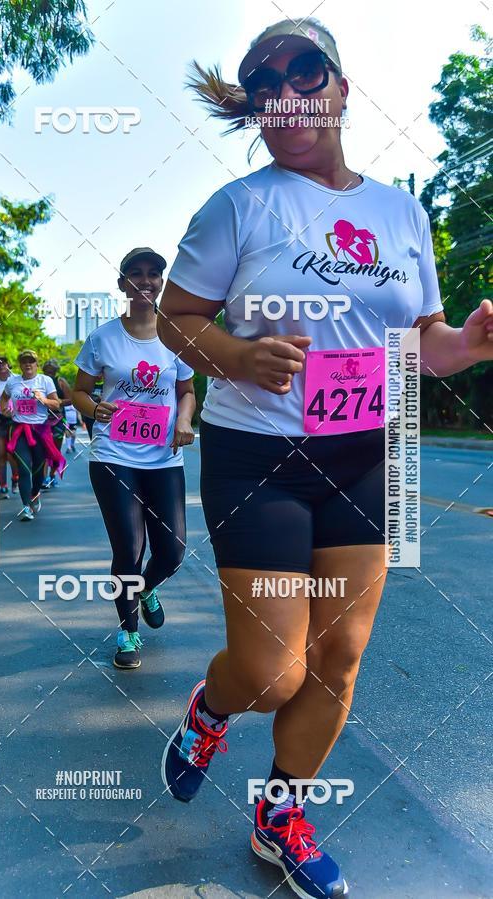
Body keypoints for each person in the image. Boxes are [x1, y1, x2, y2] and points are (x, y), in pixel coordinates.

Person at [157, 19, 493, 898]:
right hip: (257, 455)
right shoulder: (238, 207)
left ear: (341, 88)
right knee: (272, 672)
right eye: (265, 82)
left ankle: (281, 814)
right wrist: (236, 355)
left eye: (305, 70)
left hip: (362, 455)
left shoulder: (401, 213)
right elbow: (176, 319)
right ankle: (212, 707)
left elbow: (421, 340)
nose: (287, 91)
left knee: (339, 657)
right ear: (256, 109)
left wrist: (466, 344)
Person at [72, 247, 196, 669]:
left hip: (164, 457)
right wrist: (95, 408)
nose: (145, 280)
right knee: (129, 547)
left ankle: (145, 587)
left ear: (161, 282)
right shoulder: (103, 338)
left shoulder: (176, 336)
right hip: (113, 454)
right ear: (122, 283)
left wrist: (184, 420)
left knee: (173, 551)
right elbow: (79, 391)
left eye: (153, 273)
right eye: (136, 273)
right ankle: (127, 632)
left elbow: (186, 391)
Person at [1, 349, 65, 521]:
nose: (28, 364)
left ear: (37, 364)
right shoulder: (12, 382)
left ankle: (35, 493)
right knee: (23, 468)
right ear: (20, 365)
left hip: (40, 431)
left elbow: (57, 404)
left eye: (31, 361)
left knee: (38, 470)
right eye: (24, 361)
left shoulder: (45, 381)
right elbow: (4, 398)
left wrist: (43, 400)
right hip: (19, 429)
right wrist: (5, 409)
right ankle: (26, 507)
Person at [41, 359, 72, 488]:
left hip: (58, 420)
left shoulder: (60, 382)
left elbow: (71, 399)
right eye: (47, 371)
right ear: (43, 370)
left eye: (52, 371)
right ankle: (44, 478)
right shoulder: (39, 381)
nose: (49, 373)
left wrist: (58, 402)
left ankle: (53, 475)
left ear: (56, 371)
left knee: (55, 450)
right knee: (43, 449)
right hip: (42, 420)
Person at [0, 356, 20, 497]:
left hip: (15, 419)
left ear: (8, 365)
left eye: (3, 364)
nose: (1, 367)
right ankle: (3, 486)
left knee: (12, 454)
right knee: (1, 454)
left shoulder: (17, 379)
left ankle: (15, 479)